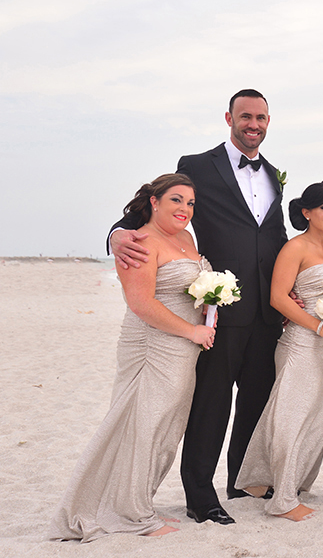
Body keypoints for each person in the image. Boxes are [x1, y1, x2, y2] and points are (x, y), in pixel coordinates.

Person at [109, 89, 288, 525]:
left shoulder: (273, 174)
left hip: (267, 310)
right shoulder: (197, 165)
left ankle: (242, 480)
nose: (254, 124)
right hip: (217, 308)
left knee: (256, 400)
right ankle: (200, 495)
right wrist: (117, 232)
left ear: (269, 121)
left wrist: (292, 286)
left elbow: (273, 234)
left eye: (261, 117)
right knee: (211, 404)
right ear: (229, 117)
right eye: (246, 116)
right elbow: (157, 203)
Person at [52, 174, 216, 542]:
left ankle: (137, 501)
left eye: (190, 203)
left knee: (166, 429)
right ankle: (129, 512)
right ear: (154, 202)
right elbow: (141, 303)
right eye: (176, 200)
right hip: (154, 344)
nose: (185, 210)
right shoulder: (139, 240)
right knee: (142, 424)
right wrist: (192, 330)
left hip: (185, 348)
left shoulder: (187, 238)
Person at [235, 183, 323, 522]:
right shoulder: (295, 247)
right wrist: (319, 326)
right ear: (306, 212)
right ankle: (283, 499)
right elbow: (279, 297)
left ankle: (276, 482)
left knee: (318, 416)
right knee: (292, 416)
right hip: (301, 342)